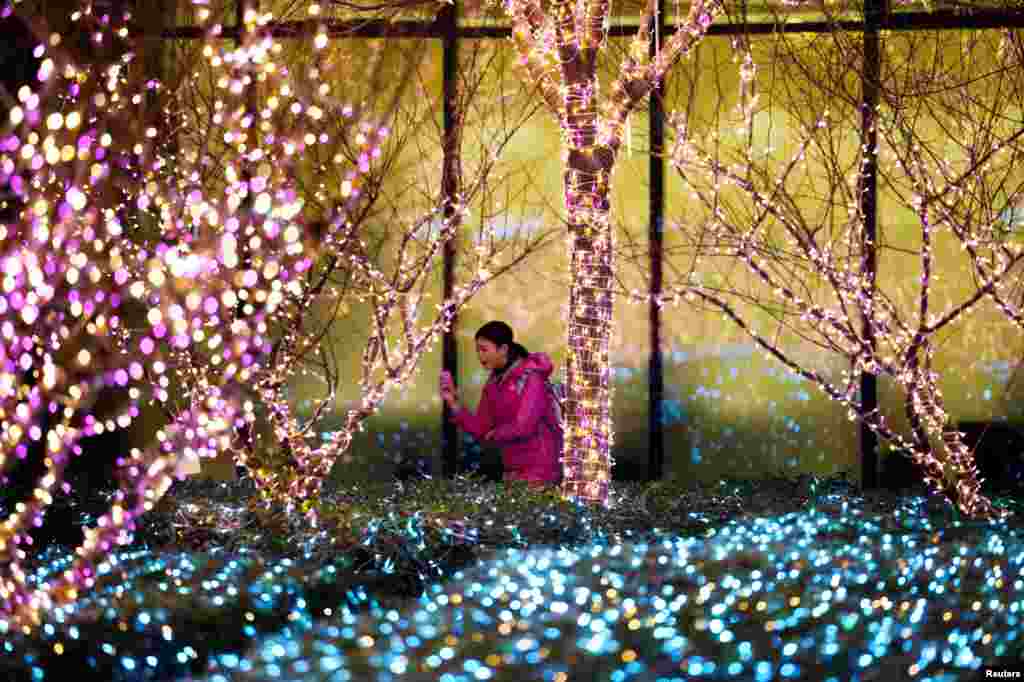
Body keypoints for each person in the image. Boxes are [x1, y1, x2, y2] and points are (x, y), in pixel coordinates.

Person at [439, 321, 562, 486]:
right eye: (477, 350)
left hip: (540, 470)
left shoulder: (531, 377)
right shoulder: (493, 383)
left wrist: (495, 434)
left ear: (503, 349)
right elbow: (483, 428)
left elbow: (524, 425)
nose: (480, 356)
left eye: (484, 349)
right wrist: (453, 402)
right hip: (512, 471)